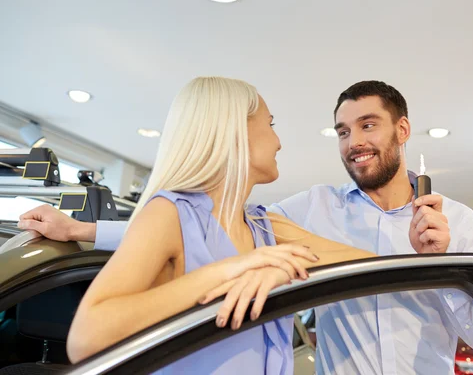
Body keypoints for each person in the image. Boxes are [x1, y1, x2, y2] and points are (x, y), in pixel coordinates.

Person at [19, 80, 473, 375]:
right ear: (233, 132)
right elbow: (183, 231)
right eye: (344, 131)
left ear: (402, 131)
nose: (353, 142)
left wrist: (438, 263)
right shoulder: (297, 212)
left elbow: (368, 269)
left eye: (368, 126)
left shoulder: (454, 220)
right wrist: (82, 231)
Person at [59, 76, 374, 374]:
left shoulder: (265, 226)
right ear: (235, 130)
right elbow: (86, 338)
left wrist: (285, 268)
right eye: (270, 124)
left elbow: (367, 265)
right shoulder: (169, 213)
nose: (278, 142)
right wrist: (230, 270)